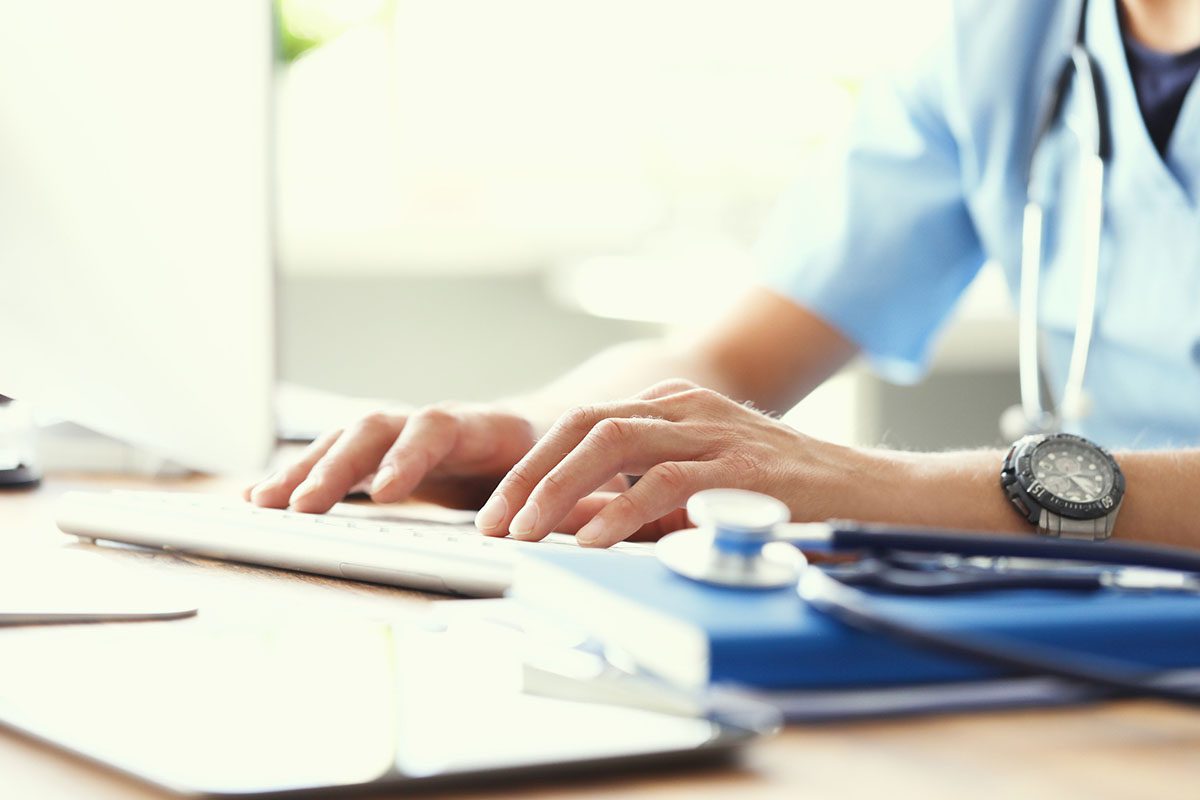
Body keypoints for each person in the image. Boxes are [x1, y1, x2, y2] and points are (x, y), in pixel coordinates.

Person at [248, 0, 1200, 550]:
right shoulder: (1010, 39)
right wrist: (547, 433)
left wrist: (881, 488)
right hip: (1114, 629)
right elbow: (736, 357)